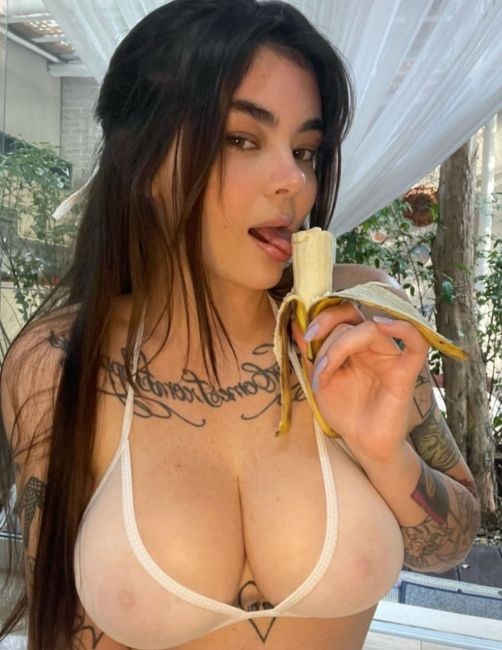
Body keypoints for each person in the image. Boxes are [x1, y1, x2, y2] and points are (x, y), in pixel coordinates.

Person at [0, 0, 481, 648]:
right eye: (243, 140)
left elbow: (450, 544)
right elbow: (59, 624)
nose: (293, 181)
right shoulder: (59, 360)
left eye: (305, 150)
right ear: (143, 161)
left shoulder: (356, 320)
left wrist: (384, 456)